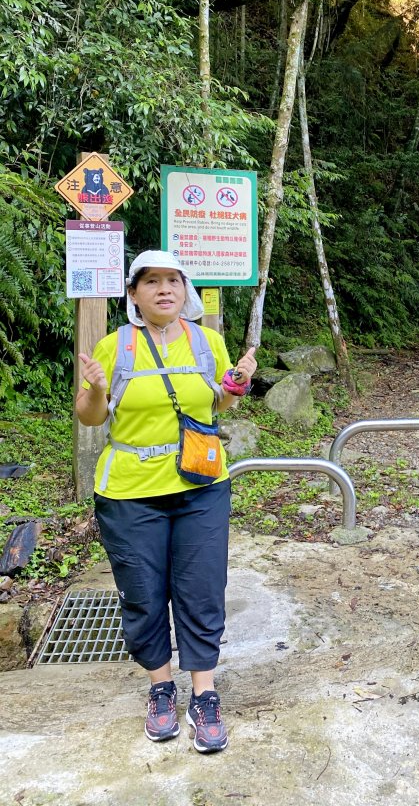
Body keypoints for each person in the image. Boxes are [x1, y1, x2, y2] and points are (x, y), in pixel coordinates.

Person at [76, 250, 257, 753]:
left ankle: (204, 693)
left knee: (201, 588)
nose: (164, 290)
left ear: (185, 289)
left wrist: (235, 386)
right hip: (130, 492)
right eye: (151, 281)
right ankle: (160, 687)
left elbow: (218, 402)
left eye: (173, 281)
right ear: (133, 294)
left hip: (200, 484)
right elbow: (91, 417)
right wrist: (94, 389)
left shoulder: (207, 341)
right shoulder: (115, 347)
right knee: (143, 591)